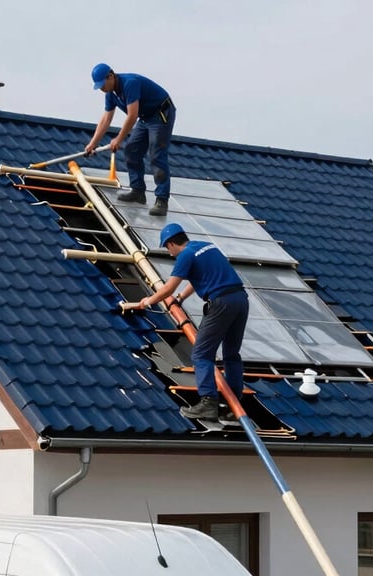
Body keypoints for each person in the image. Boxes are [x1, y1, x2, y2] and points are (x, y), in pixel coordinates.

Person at [121, 223, 249, 422]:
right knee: (232, 354)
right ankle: (234, 404)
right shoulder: (206, 246)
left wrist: (145, 302)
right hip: (240, 299)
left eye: (167, 248)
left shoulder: (185, 256)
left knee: (200, 354)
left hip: (221, 303)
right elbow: (197, 278)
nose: (170, 253)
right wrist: (181, 299)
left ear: (172, 243)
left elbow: (168, 289)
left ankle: (208, 403)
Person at [85, 63, 175, 217]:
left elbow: (132, 115)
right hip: (145, 118)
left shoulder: (129, 83)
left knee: (156, 154)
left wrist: (118, 139)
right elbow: (106, 119)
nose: (102, 89)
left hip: (160, 113)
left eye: (102, 84)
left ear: (111, 76)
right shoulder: (110, 94)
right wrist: (93, 143)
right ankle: (138, 191)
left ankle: (162, 200)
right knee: (131, 150)